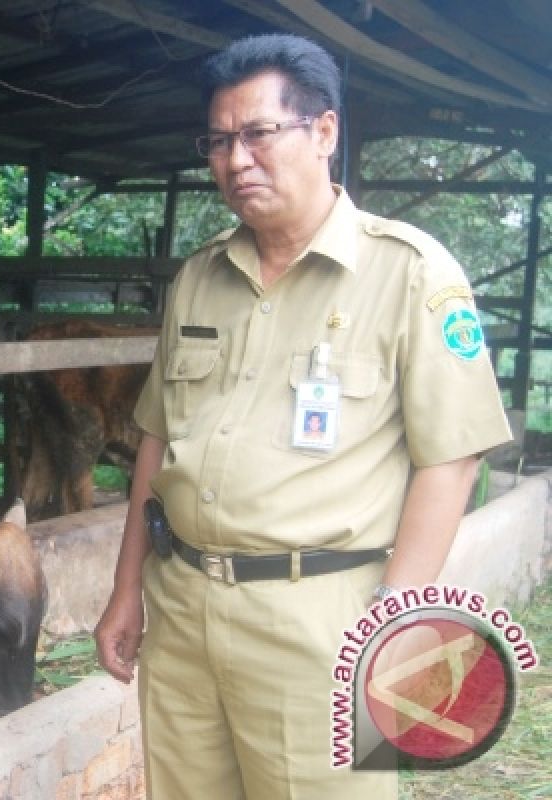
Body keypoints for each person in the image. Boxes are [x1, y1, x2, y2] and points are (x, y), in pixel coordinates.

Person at [93, 33, 511, 800]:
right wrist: (127, 590)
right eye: (218, 141)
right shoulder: (200, 276)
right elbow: (157, 442)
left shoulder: (410, 272)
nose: (236, 159)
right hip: (182, 606)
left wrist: (396, 619)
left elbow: (452, 458)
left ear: (324, 132)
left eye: (258, 134)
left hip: (323, 618)